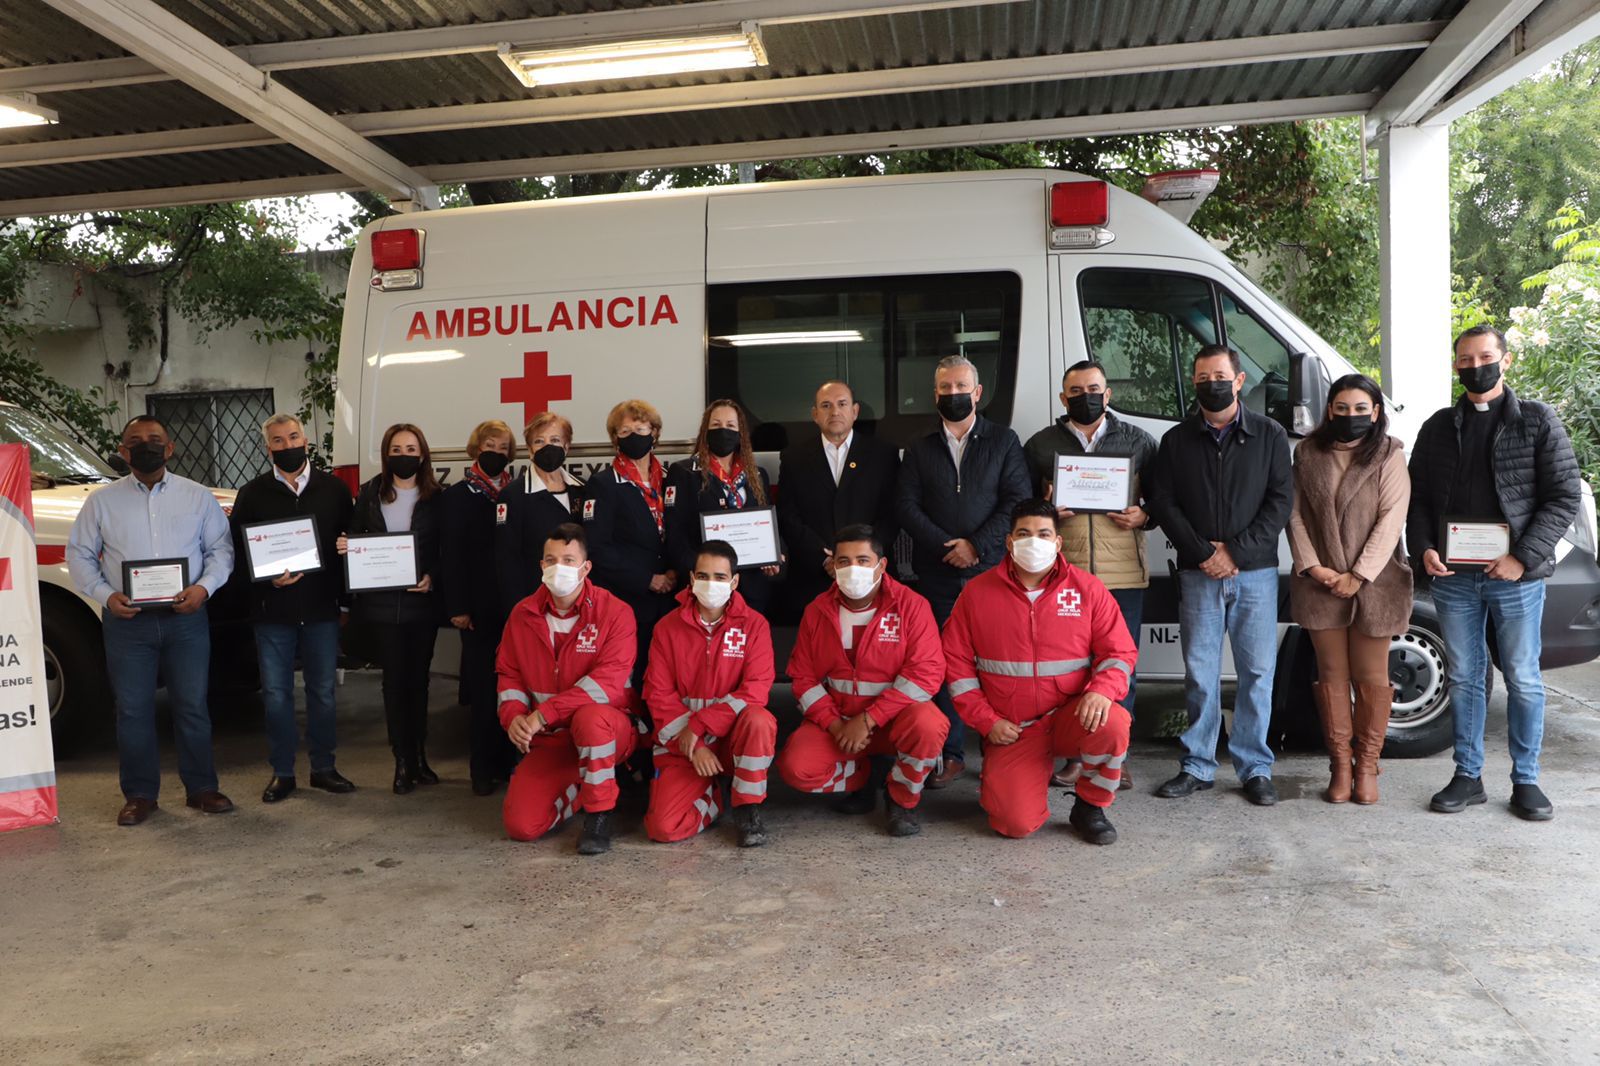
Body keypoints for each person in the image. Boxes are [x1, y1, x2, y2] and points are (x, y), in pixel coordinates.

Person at [1408, 325, 1581, 821]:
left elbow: (1564, 495)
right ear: (1456, 365)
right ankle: (1467, 775)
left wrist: (1522, 557)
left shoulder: (1538, 420)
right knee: (1464, 677)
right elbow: (1417, 500)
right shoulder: (1439, 426)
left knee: (1524, 679)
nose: (1474, 366)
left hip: (1515, 577)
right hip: (1454, 576)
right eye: (1464, 359)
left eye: (1484, 357)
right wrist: (1422, 549)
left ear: (1505, 361)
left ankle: (1526, 780)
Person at [66, 414, 235, 826]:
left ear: (170, 448)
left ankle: (201, 788)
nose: (147, 446)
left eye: (155, 439)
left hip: (186, 618)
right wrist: (106, 596)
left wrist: (204, 588)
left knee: (192, 705)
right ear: (123, 452)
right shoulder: (100, 502)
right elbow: (79, 556)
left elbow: (221, 550)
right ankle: (140, 795)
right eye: (136, 441)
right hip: (127, 622)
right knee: (133, 710)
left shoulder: (198, 497)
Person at [1146, 344, 1293, 807]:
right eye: (1202, 376)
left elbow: (1280, 502)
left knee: (1256, 672)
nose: (1211, 383)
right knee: (1201, 672)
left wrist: (1235, 552)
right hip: (1197, 571)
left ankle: (1254, 767)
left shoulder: (1270, 435)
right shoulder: (1175, 441)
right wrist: (1201, 551)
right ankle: (1198, 764)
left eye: (1219, 375)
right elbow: (1164, 502)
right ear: (1194, 382)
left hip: (1256, 574)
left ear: (1239, 380)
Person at [942, 500, 1136, 843]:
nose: (1034, 541)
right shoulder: (976, 593)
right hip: (1012, 728)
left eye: (1044, 534)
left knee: (1114, 722)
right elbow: (956, 667)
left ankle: (1090, 806)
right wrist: (987, 722)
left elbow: (1119, 652)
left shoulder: (1088, 589)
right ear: (1009, 541)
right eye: (1024, 533)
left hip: (1070, 717)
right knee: (1013, 825)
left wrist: (1102, 690)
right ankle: (1011, 782)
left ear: (1058, 542)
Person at [896, 354, 1031, 788]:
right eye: (945, 388)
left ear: (977, 393)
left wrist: (976, 545)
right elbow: (905, 506)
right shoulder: (918, 447)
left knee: (997, 664)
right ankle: (950, 753)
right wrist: (945, 547)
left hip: (991, 572)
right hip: (935, 574)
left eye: (961, 387)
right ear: (935, 395)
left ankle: (1001, 750)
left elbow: (1016, 500)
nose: (953, 395)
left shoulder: (1003, 440)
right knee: (941, 666)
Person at [1023, 359, 1158, 791]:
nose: (1087, 397)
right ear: (1064, 399)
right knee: (1069, 669)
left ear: (1109, 393)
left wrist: (1145, 514)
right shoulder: (1041, 444)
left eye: (1094, 388)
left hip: (1123, 573)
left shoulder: (1139, 441)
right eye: (1076, 392)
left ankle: (1116, 753)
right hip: (1065, 574)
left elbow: (1162, 499)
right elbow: (1023, 508)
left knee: (1121, 666)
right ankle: (1074, 756)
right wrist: (1047, 508)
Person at [776, 524, 948, 837]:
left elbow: (926, 676)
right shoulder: (817, 611)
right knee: (797, 768)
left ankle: (902, 799)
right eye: (843, 561)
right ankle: (867, 776)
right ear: (832, 566)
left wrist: (869, 720)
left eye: (863, 560)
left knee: (929, 725)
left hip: (896, 723)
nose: (852, 568)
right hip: (840, 725)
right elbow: (802, 678)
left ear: (881, 565)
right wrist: (836, 725)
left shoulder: (911, 606)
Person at [1288, 375, 1412, 805]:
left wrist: (1358, 575)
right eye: (1342, 408)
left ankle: (1367, 765)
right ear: (1329, 410)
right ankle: (1340, 765)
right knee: (1332, 675)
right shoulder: (1307, 453)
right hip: (1319, 583)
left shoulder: (1389, 456)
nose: (1352, 416)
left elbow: (1391, 520)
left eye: (1361, 409)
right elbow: (1295, 516)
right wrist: (1317, 569)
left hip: (1374, 583)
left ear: (1376, 412)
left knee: (1372, 676)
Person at [229, 413, 356, 804]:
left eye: (294, 437)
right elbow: (238, 554)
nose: (288, 446)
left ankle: (323, 768)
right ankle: (282, 772)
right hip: (273, 612)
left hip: (321, 610)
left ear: (306, 439)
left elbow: (350, 545)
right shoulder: (252, 494)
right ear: (268, 448)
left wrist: (346, 597)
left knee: (322, 693)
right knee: (277, 695)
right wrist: (268, 579)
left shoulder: (334, 490)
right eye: (279, 441)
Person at [497, 523, 638, 855]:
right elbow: (509, 675)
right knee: (522, 827)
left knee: (591, 718)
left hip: (608, 731)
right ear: (541, 565)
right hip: (551, 741)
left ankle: (599, 815)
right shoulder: (522, 615)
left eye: (568, 559)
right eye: (550, 559)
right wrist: (514, 716)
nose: (558, 567)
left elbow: (606, 685)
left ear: (586, 568)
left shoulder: (615, 613)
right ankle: (588, 785)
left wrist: (541, 715)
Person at [642, 540, 778, 848]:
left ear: (735, 582)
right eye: (703, 576)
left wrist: (700, 725)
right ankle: (715, 798)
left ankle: (746, 807)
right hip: (684, 744)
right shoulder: (666, 628)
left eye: (719, 577)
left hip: (732, 740)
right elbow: (659, 696)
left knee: (759, 720)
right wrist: (696, 744)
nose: (710, 584)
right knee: (663, 829)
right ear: (691, 580)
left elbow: (755, 691)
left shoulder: (754, 626)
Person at [341, 423, 443, 795]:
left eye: (411, 448)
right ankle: (401, 760)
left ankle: (420, 757)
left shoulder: (436, 497)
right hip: (382, 606)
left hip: (422, 605)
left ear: (423, 453)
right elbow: (353, 536)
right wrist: (347, 546)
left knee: (419, 682)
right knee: (393, 683)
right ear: (386, 454)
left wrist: (433, 576)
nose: (404, 456)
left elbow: (446, 550)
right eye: (396, 449)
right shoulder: (370, 493)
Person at [440, 419, 521, 796]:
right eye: (490, 444)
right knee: (484, 691)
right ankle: (482, 769)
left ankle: (510, 762)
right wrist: (457, 606)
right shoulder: (458, 496)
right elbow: (450, 554)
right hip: (476, 609)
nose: (497, 452)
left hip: (513, 608)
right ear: (476, 447)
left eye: (504, 447)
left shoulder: (516, 491)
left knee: (515, 689)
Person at [777, 380, 900, 609]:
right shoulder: (794, 457)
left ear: (854, 412)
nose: (834, 411)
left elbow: (893, 513)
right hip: (812, 577)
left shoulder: (883, 455)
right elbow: (787, 515)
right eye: (826, 405)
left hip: (870, 576)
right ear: (815, 414)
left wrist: (861, 560)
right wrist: (825, 558)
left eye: (842, 404)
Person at [582, 399, 677, 692]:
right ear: (615, 439)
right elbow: (597, 548)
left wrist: (674, 572)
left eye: (640, 428)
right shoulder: (602, 484)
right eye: (624, 431)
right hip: (629, 598)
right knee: (632, 675)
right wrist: (647, 579)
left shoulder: (673, 479)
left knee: (668, 674)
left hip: (673, 596)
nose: (633, 436)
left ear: (655, 433)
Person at [666, 399, 783, 614]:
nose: (723, 431)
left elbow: (769, 528)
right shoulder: (684, 472)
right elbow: (675, 535)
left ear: (741, 433)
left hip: (751, 589)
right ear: (705, 431)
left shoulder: (757, 475)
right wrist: (703, 571)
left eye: (730, 426)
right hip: (706, 589)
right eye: (716, 425)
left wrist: (773, 556)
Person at [496, 412, 584, 617]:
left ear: (566, 446)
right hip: (534, 601)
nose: (547, 447)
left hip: (577, 601)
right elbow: (507, 559)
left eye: (555, 440)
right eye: (539, 441)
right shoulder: (513, 495)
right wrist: (518, 610)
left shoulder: (582, 489)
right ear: (529, 450)